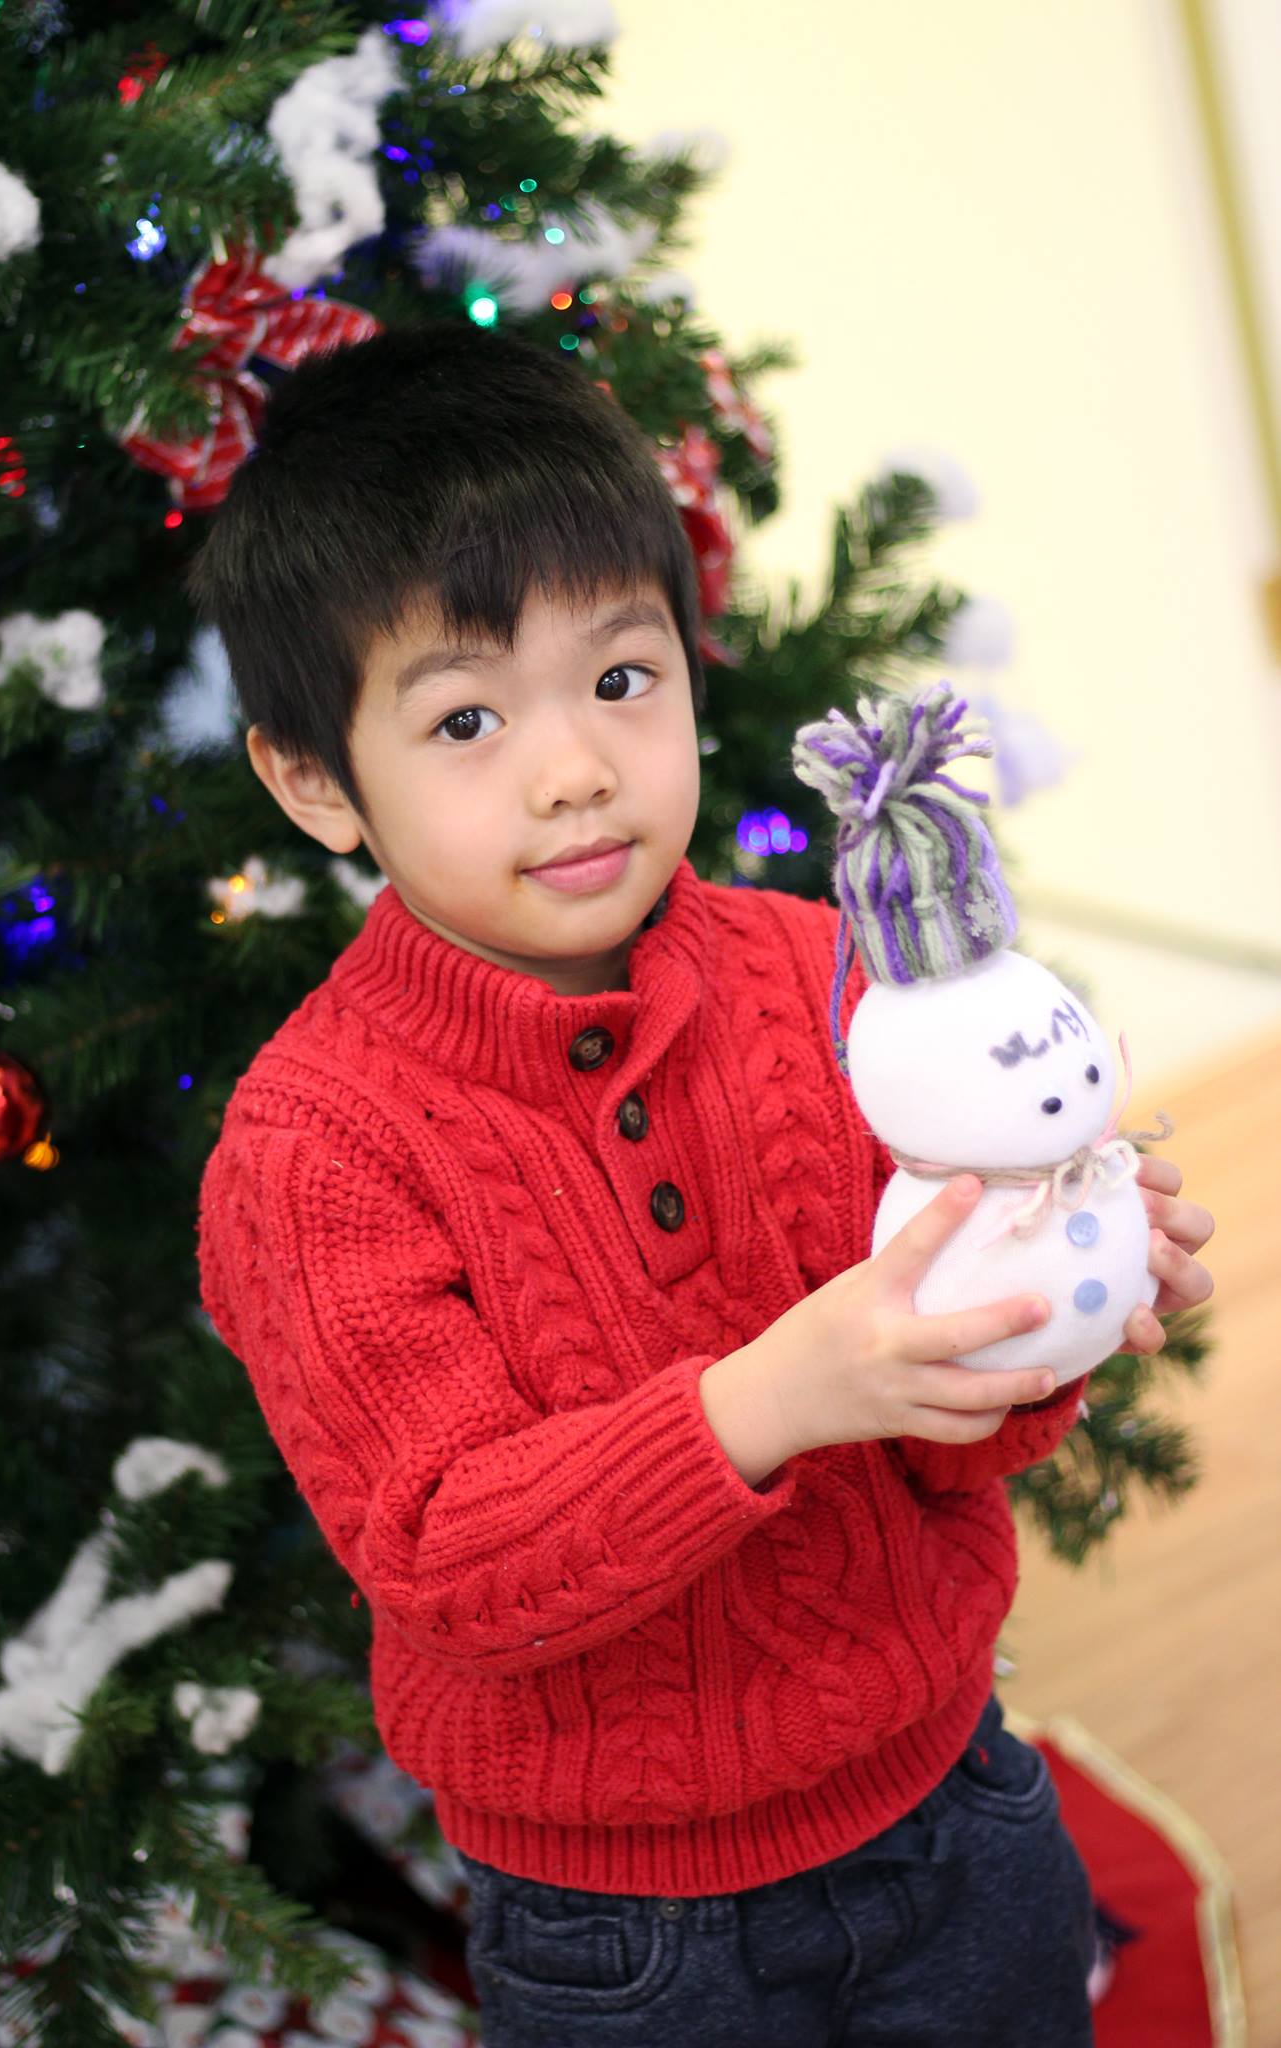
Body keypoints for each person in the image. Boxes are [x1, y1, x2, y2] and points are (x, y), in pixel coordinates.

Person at [190, 323, 1215, 2047]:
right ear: (312, 780)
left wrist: (1052, 1299)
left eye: (620, 678)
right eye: (463, 719)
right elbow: (445, 1559)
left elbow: (955, 1438)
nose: (574, 768)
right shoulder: (315, 1152)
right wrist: (767, 1399)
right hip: (626, 1937)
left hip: (951, 1811)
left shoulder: (824, 979)